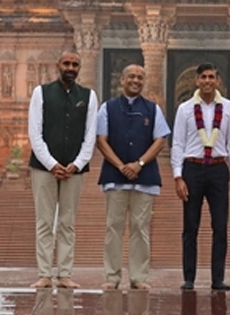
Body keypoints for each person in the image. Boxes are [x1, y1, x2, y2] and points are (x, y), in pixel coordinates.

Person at [27, 50, 99, 289]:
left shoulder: (88, 96)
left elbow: (90, 135)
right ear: (58, 65)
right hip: (44, 168)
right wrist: (51, 163)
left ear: (79, 68)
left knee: (68, 222)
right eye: (66, 63)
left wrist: (77, 163)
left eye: (75, 64)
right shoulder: (41, 93)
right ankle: (45, 273)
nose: (70, 67)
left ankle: (65, 273)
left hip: (74, 168)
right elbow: (35, 132)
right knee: (45, 222)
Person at [95, 65, 170, 290]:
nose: (136, 81)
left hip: (144, 177)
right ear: (122, 80)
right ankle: (112, 276)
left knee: (140, 227)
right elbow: (101, 140)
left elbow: (160, 140)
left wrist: (139, 164)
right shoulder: (107, 108)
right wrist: (120, 165)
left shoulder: (152, 109)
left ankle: (139, 277)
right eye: (131, 77)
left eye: (140, 77)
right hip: (114, 176)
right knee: (113, 227)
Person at [171, 62, 230, 291]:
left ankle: (217, 278)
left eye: (212, 77)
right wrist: (178, 176)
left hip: (218, 169)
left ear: (218, 81)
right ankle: (189, 278)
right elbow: (178, 144)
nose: (207, 81)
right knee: (190, 225)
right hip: (192, 168)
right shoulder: (185, 109)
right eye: (203, 77)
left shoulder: (229, 108)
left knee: (220, 225)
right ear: (197, 80)